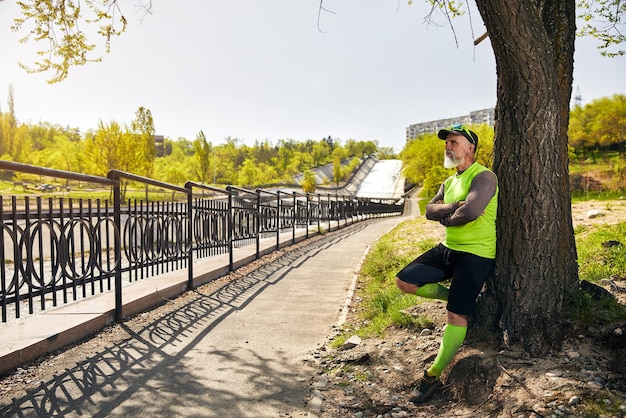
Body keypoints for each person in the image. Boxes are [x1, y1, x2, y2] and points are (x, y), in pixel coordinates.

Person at [395, 124, 498, 404]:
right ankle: (457, 300)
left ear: (470, 148)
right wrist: (453, 208)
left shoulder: (484, 176)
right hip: (449, 248)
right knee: (405, 280)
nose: (448, 146)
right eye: (446, 143)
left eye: (454, 142)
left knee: (456, 317)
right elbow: (430, 210)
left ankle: (432, 376)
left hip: (476, 253)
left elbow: (473, 211)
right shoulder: (450, 182)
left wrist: (451, 212)